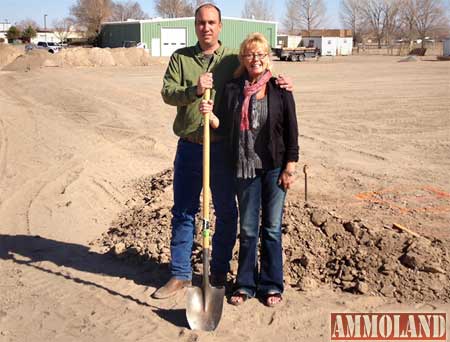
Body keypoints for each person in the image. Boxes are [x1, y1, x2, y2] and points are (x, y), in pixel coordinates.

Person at [152, 3, 293, 299]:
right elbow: (167, 94)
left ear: (220, 26)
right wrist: (194, 90)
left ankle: (217, 272)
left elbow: (256, 74)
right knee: (184, 211)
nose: (206, 27)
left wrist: (281, 81)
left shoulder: (231, 59)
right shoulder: (180, 59)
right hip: (190, 147)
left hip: (222, 150)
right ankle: (179, 274)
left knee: (227, 213)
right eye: (201, 22)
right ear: (195, 26)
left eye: (212, 22)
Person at [199, 32, 299, 307]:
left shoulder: (280, 88)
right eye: (250, 54)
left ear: (268, 58)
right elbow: (226, 127)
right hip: (245, 169)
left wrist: (289, 167)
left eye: (261, 54)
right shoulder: (233, 88)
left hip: (275, 168)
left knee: (272, 229)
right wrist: (210, 113)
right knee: (249, 229)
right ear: (243, 59)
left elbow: (292, 129)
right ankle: (244, 284)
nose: (256, 59)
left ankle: (271, 285)